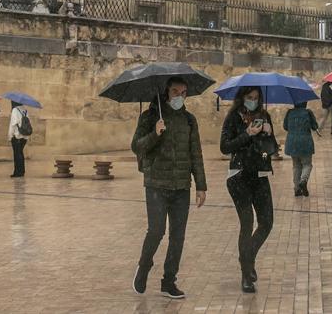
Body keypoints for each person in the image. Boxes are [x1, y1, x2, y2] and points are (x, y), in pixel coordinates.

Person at [131, 78, 206, 300]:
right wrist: (155, 133)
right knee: (156, 231)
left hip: (181, 186)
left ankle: (169, 281)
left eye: (183, 93)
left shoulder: (189, 120)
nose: (179, 97)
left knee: (177, 236)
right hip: (156, 183)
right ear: (166, 93)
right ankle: (144, 266)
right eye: (175, 92)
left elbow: (196, 154)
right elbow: (136, 146)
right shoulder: (150, 116)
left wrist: (201, 186)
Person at [220, 86, 277, 294]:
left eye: (256, 97)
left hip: (260, 175)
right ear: (242, 98)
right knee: (247, 223)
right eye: (249, 97)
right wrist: (247, 134)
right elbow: (225, 147)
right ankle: (246, 275)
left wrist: (269, 134)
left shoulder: (265, 116)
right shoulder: (233, 117)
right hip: (239, 176)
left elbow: (272, 149)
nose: (253, 100)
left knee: (267, 222)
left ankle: (247, 257)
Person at [283, 101, 320, 196]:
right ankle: (303, 181)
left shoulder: (289, 112)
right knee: (307, 164)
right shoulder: (308, 112)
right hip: (305, 143)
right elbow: (314, 126)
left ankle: (297, 189)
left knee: (296, 166)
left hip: (292, 143)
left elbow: (285, 127)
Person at [8, 102, 29, 178]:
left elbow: (13, 124)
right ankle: (22, 171)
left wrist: (10, 135)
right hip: (24, 136)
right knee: (20, 153)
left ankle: (17, 172)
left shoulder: (15, 110)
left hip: (17, 135)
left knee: (17, 154)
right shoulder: (25, 110)